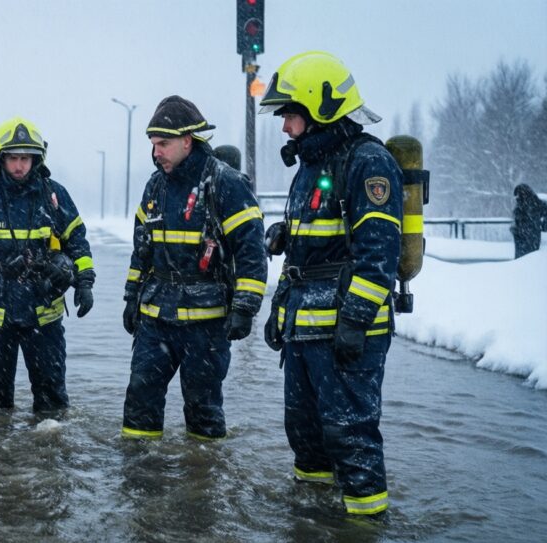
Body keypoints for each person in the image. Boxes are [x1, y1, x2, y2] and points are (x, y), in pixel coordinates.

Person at [258, 51, 404, 516]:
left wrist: (355, 322)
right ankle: (313, 527)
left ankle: (364, 538)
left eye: (291, 115)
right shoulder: (311, 166)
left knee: (350, 436)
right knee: (304, 433)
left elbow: (378, 257)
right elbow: (309, 257)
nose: (285, 128)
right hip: (305, 330)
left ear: (320, 109)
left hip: (345, 334)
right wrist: (281, 309)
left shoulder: (368, 163)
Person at [121, 96, 267, 441]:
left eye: (164, 144)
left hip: (206, 323)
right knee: (140, 400)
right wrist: (131, 298)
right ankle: (139, 477)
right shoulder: (155, 186)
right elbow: (141, 250)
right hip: (156, 317)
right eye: (154, 145)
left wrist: (245, 306)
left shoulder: (225, 183)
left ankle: (203, 478)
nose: (156, 152)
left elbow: (251, 250)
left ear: (188, 140)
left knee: (203, 410)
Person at [0, 117, 94, 413]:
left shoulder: (55, 196)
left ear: (37, 158)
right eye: (13, 158)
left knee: (52, 404)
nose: (19, 166)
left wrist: (84, 282)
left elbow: (77, 242)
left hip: (44, 314)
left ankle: (47, 453)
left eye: (25, 158)